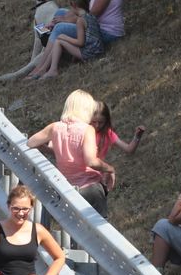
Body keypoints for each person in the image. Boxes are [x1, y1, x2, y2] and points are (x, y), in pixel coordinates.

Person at [27, 89, 116, 218]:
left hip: (67, 189)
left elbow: (31, 142)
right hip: (90, 187)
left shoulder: (55, 127)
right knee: (96, 232)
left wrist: (56, 151)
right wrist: (110, 169)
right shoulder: (87, 129)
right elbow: (91, 161)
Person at [27, 0, 103, 79]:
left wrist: (64, 37)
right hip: (97, 50)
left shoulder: (80, 21)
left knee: (59, 41)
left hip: (90, 53)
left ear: (73, 5)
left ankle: (51, 70)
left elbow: (81, 43)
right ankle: (44, 69)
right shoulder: (90, 16)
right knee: (59, 40)